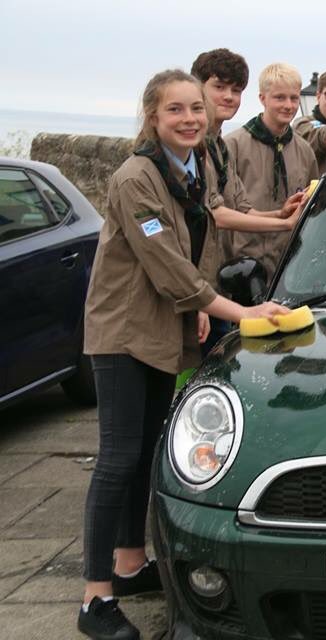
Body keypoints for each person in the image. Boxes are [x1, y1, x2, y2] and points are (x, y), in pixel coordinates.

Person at [78, 70, 293, 640]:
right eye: (176, 110)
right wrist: (234, 310)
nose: (191, 118)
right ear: (153, 116)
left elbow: (195, 244)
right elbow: (165, 263)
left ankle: (128, 565)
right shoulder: (135, 177)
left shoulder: (192, 168)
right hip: (124, 332)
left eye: (196, 108)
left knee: (146, 450)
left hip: (162, 327)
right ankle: (94, 598)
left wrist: (199, 304)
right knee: (118, 459)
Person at [190, 49, 306, 355]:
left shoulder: (217, 144)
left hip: (220, 282)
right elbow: (217, 215)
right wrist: (283, 223)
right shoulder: (201, 145)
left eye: (235, 90)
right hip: (199, 283)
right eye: (219, 87)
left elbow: (242, 207)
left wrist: (279, 213)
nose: (228, 97)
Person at [225, 63, 320, 281]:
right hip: (239, 268)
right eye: (279, 98)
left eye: (294, 98)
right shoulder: (233, 145)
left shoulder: (304, 151)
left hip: (288, 268)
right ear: (262, 98)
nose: (288, 105)